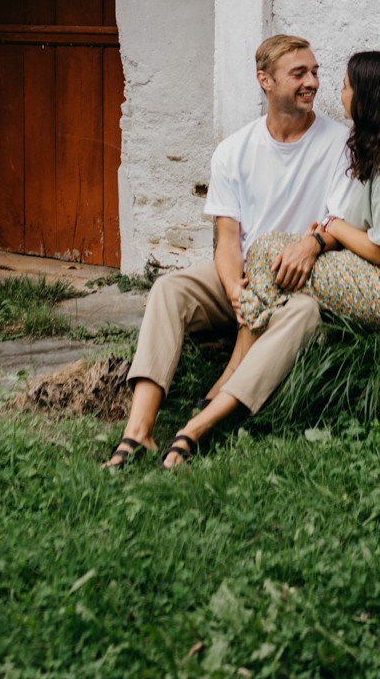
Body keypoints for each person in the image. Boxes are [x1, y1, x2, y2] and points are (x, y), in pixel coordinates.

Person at [104, 33, 348, 471]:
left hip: (301, 284)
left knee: (306, 315)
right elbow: (228, 239)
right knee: (170, 289)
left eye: (315, 72)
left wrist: (309, 248)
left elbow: (337, 228)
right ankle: (138, 429)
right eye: (299, 74)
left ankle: (205, 424)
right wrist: (236, 291)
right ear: (265, 81)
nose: (312, 82)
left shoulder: (339, 145)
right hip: (246, 273)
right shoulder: (234, 151)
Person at [238, 49, 380, 338]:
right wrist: (322, 237)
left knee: (267, 256)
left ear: (369, 96)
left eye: (346, 86)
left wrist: (331, 225)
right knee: (272, 247)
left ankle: (246, 360)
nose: (340, 93)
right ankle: (263, 346)